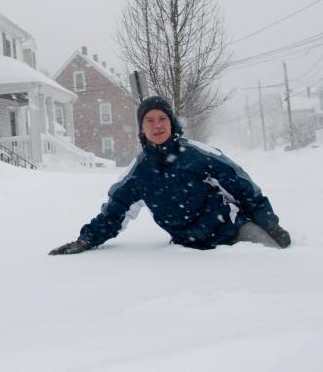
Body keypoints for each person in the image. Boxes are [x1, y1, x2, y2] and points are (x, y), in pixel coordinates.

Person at [49, 96, 291, 255]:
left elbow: (245, 190)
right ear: (142, 129)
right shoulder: (139, 173)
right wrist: (86, 240)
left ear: (172, 123)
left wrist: (271, 226)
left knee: (277, 255)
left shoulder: (199, 155)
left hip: (234, 235)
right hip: (187, 251)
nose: (157, 125)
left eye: (163, 119)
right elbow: (114, 213)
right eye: (150, 121)